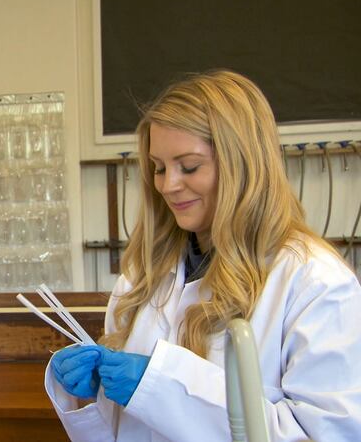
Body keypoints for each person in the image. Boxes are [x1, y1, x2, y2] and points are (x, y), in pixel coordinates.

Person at [47, 70, 361, 441]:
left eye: (189, 167)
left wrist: (161, 388)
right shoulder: (144, 277)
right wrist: (93, 395)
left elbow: (329, 434)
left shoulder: (314, 282)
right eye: (159, 168)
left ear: (242, 164)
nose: (168, 185)